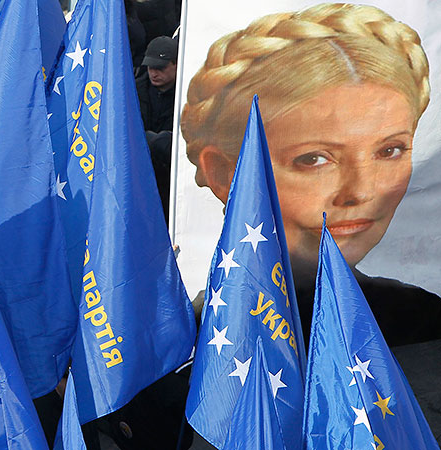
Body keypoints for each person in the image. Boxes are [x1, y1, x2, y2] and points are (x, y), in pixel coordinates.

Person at [180, 3, 441, 347]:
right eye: (314, 159)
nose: (362, 192)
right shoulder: (188, 344)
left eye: (389, 150)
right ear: (223, 173)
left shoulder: (422, 325)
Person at [136, 36, 179, 223]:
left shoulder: (188, 95)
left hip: (171, 179)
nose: (154, 73)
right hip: (141, 175)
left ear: (176, 64)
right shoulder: (134, 90)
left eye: (160, 68)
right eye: (150, 67)